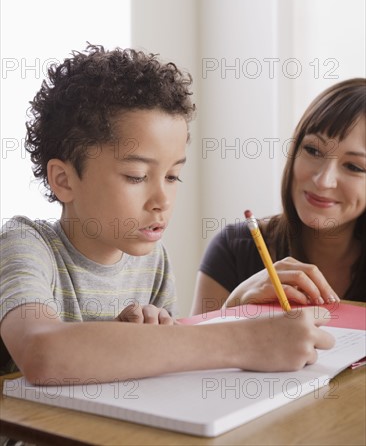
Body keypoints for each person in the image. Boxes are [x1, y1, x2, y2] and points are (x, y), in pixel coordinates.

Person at [0, 44, 335, 386]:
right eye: (136, 177)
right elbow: (42, 354)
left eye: (173, 176)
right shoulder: (26, 245)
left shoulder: (153, 262)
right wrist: (246, 340)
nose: (162, 199)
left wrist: (145, 339)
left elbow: (168, 375)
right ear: (64, 180)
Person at [191, 78, 366, 316]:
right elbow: (194, 352)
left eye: (354, 167)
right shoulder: (235, 248)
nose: (323, 180)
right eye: (313, 150)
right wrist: (233, 306)